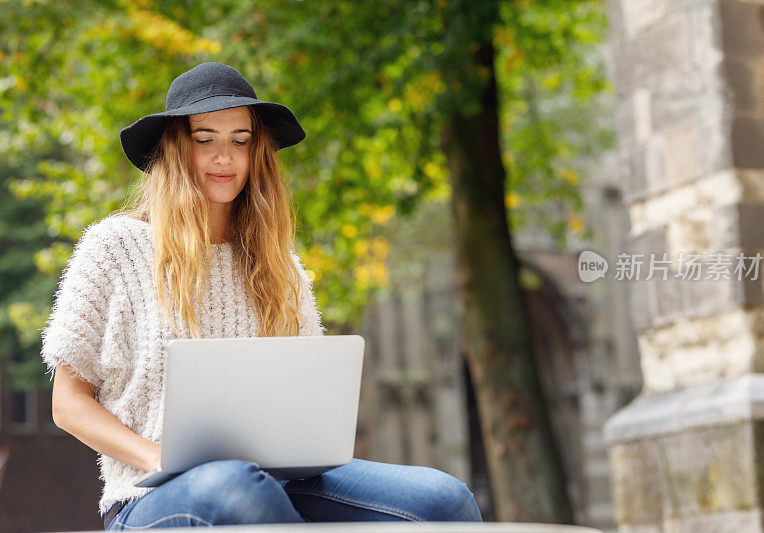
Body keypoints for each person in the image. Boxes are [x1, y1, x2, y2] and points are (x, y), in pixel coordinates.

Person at [40, 62, 482, 530]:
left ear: (258, 153)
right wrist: (158, 459)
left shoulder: (281, 267)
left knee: (444, 499)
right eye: (204, 138)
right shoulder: (114, 246)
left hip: (281, 480)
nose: (224, 158)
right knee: (235, 487)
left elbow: (308, 401)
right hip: (151, 495)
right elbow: (68, 403)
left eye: (240, 140)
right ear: (175, 148)